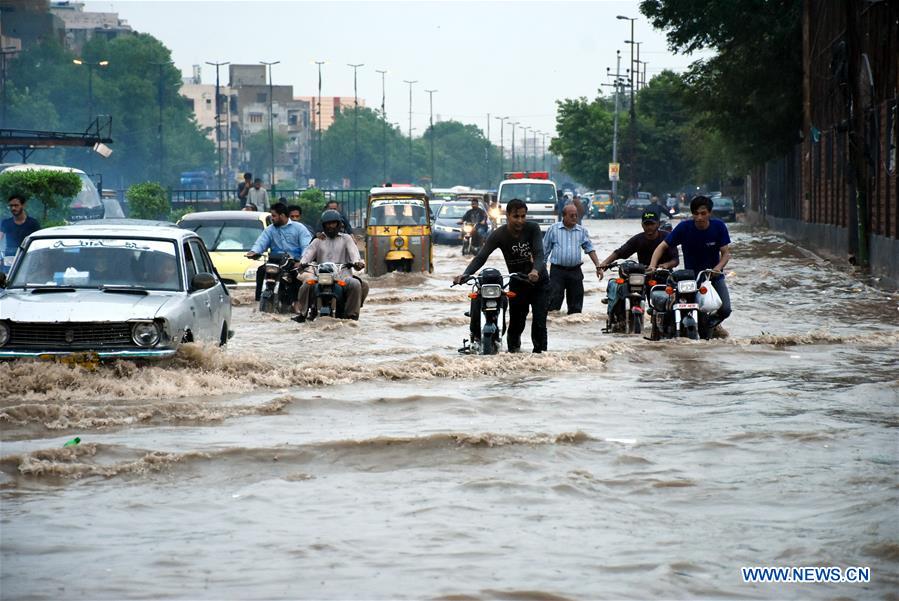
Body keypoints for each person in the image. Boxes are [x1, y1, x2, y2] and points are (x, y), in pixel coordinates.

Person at [453, 198, 548, 353]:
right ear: (507, 215)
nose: (520, 220)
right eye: (516, 216)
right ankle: (513, 355)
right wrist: (465, 274)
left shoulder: (533, 228)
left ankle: (541, 358)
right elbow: (481, 257)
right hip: (517, 282)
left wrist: (535, 271)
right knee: (516, 323)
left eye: (523, 216)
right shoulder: (499, 235)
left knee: (539, 323)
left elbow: (539, 253)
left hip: (538, 282)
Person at [648, 195, 732, 333]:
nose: (699, 217)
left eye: (703, 213)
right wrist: (652, 265)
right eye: (696, 214)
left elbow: (726, 254)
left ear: (709, 213)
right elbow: (661, 247)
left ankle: (710, 325)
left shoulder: (719, 227)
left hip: (713, 277)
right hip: (690, 278)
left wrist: (717, 268)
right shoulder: (684, 228)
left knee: (726, 309)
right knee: (681, 307)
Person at [293, 209, 367, 322]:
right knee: (306, 286)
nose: (330, 226)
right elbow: (307, 255)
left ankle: (351, 317)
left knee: (356, 284)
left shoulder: (346, 238)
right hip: (321, 277)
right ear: (323, 225)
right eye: (328, 224)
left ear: (339, 224)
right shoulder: (318, 240)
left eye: (333, 223)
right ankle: (303, 313)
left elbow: (354, 254)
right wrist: (302, 264)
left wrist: (357, 262)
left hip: (343, 276)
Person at [245, 202, 313, 302]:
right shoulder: (269, 230)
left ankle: (296, 302)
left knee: (298, 277)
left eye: (274, 215)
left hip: (294, 263)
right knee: (261, 271)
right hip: (275, 262)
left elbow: (306, 246)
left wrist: (301, 261)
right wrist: (254, 252)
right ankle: (258, 300)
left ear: (282, 215)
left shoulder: (299, 228)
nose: (272, 218)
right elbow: (261, 242)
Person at [543, 204, 603, 314]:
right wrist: (540, 271)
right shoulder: (553, 229)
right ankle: (554, 328)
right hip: (557, 272)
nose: (575, 218)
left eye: (576, 215)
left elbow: (590, 249)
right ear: (564, 216)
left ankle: (573, 328)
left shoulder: (581, 231)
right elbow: (544, 251)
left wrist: (598, 266)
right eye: (571, 215)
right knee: (552, 306)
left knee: (576, 308)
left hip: (575, 272)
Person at [598, 210, 680, 274]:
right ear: (642, 225)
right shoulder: (638, 239)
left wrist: (666, 265)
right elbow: (619, 253)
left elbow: (675, 260)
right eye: (646, 224)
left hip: (664, 273)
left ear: (658, 224)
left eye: (652, 224)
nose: (649, 227)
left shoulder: (667, 237)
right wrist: (605, 263)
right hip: (644, 274)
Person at [1, 194, 41, 273]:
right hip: (10, 256)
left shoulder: (33, 223)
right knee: (8, 277)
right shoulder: (6, 223)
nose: (13, 208)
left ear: (23, 205)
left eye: (16, 205)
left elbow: (39, 241)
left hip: (28, 255)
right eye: (11, 206)